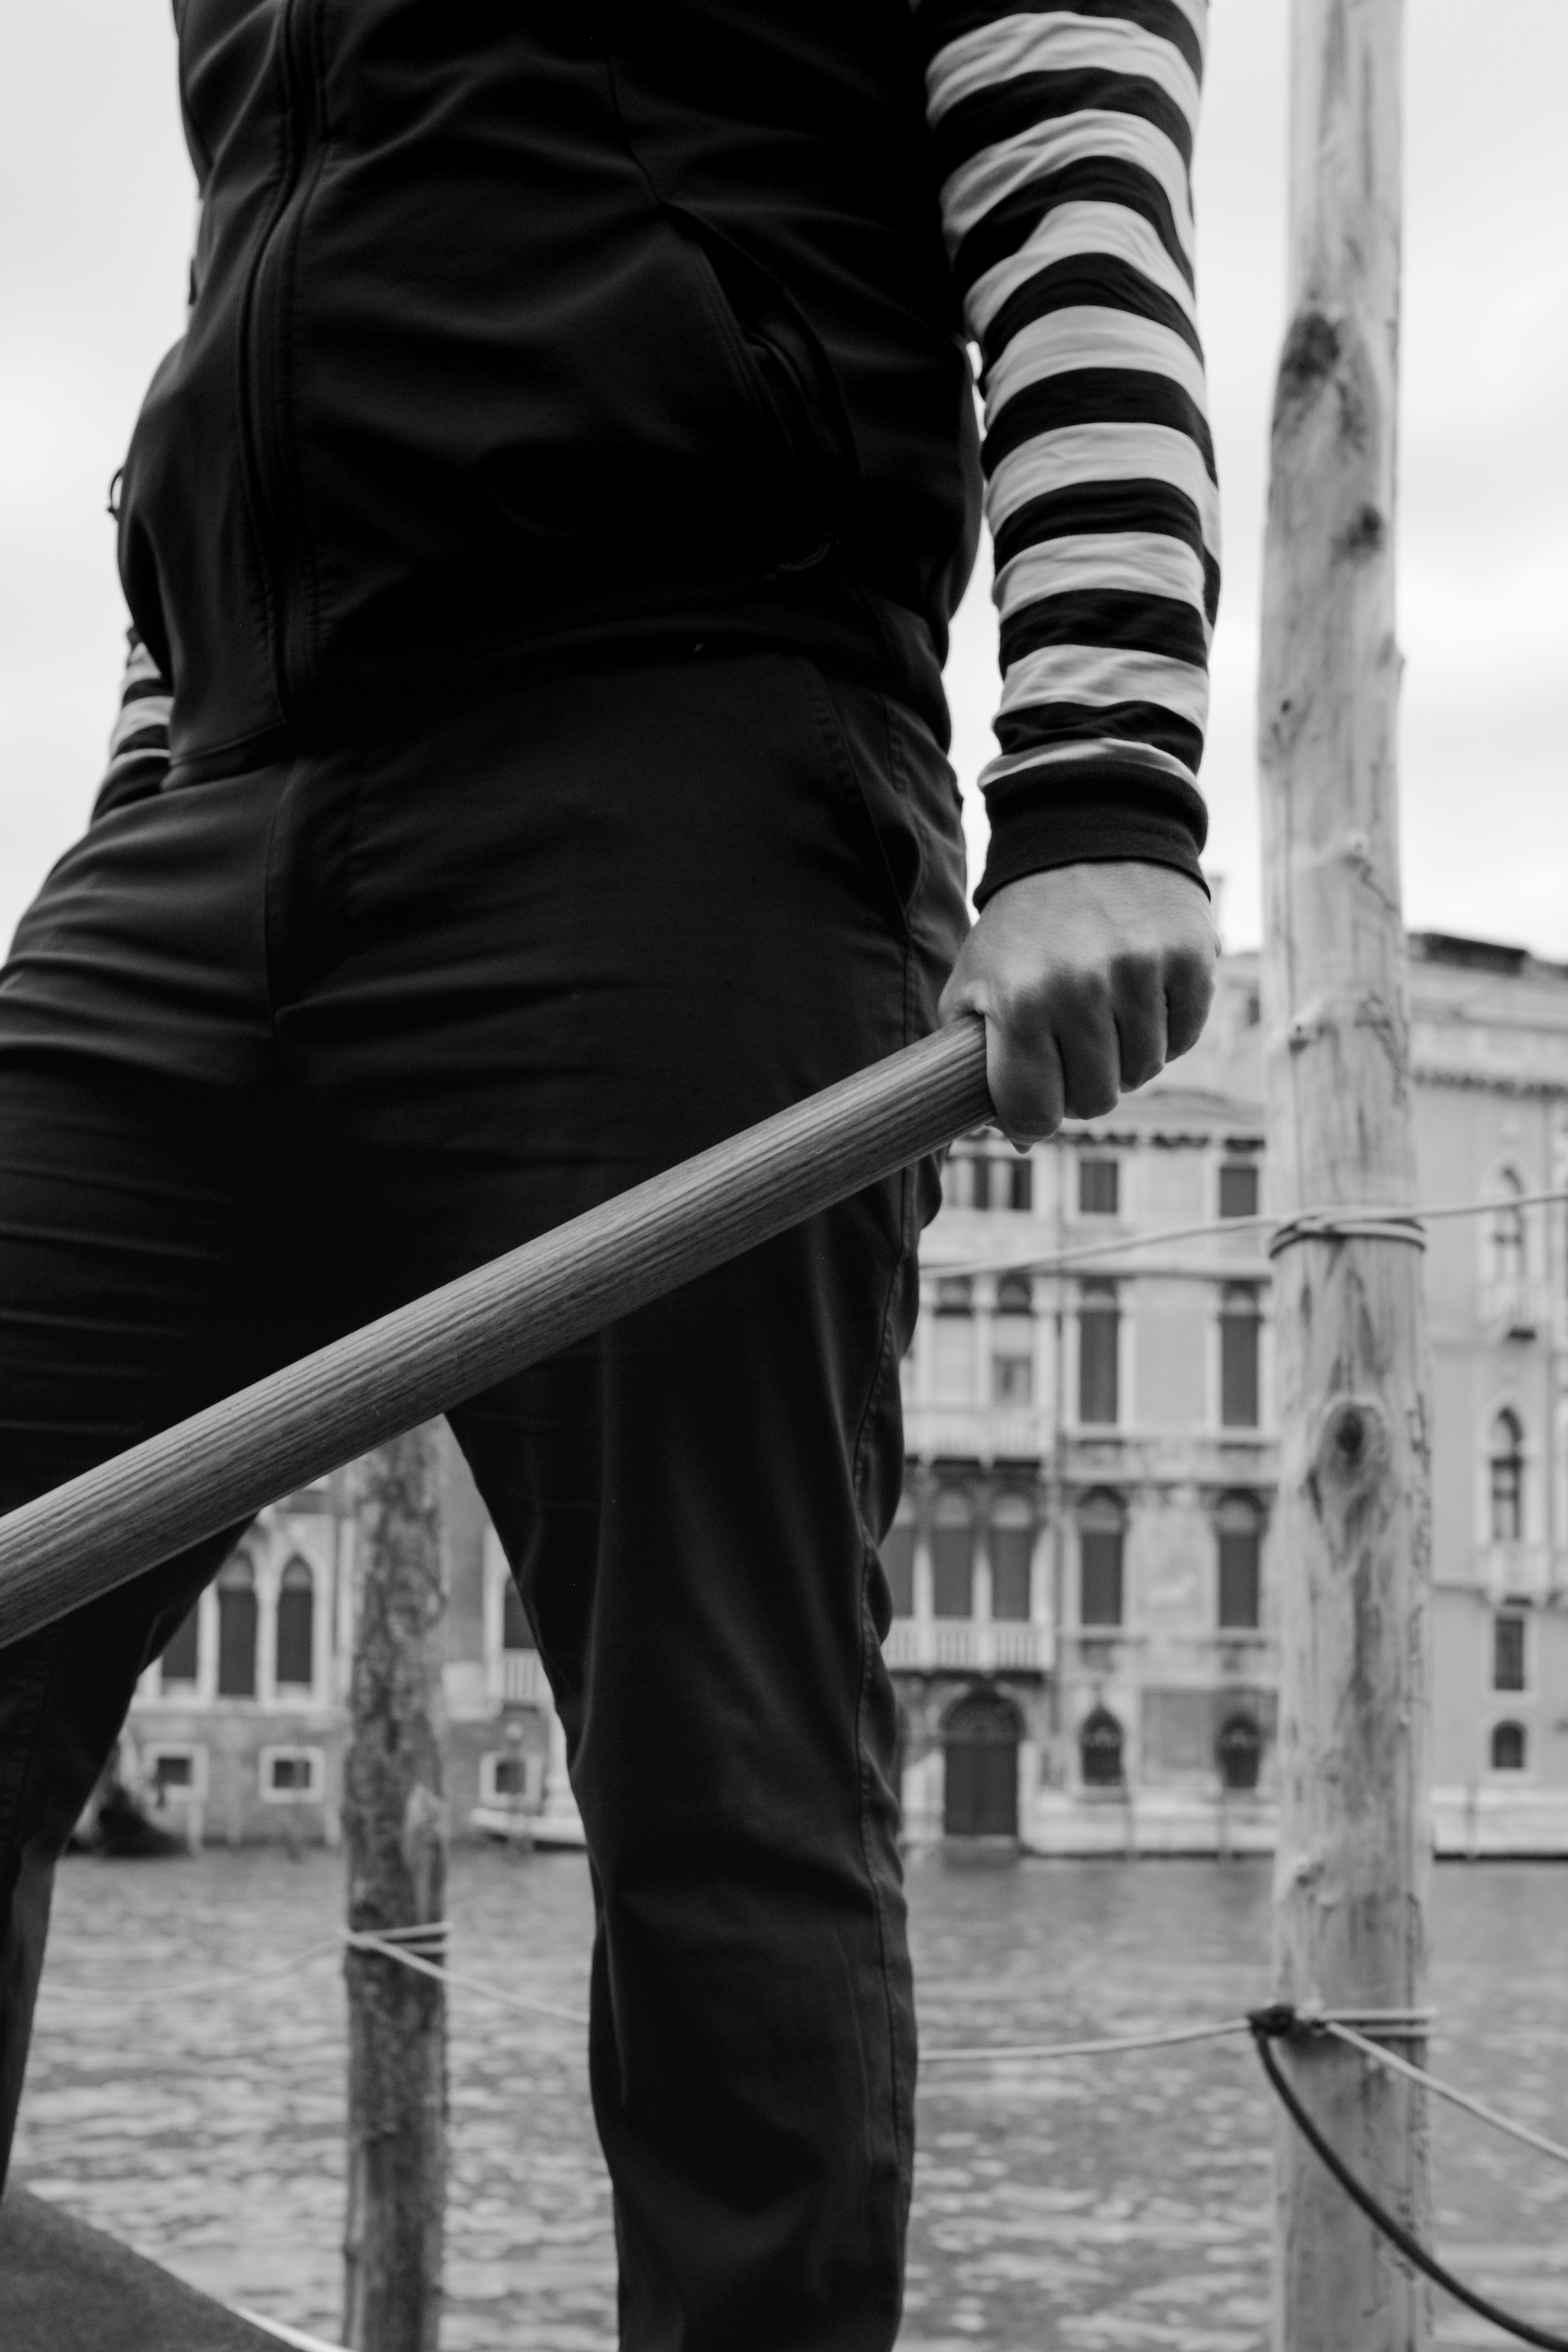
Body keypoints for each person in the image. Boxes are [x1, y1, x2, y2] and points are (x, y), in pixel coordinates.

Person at [0, 3, 1219, 2343]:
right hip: (210, 823)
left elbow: (1077, 169)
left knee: (721, 1781)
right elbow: (269, 315)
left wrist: (1103, 794)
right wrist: (155, 754)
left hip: (681, 759)